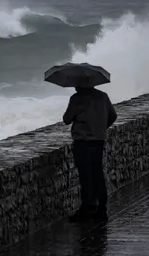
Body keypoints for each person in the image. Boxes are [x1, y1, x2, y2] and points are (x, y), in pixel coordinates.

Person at [63, 86, 117, 222]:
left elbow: (66, 119)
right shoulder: (103, 96)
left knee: (85, 175)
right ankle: (102, 208)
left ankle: (87, 208)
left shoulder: (76, 99)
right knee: (97, 173)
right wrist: (101, 128)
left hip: (83, 142)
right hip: (98, 141)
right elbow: (113, 115)